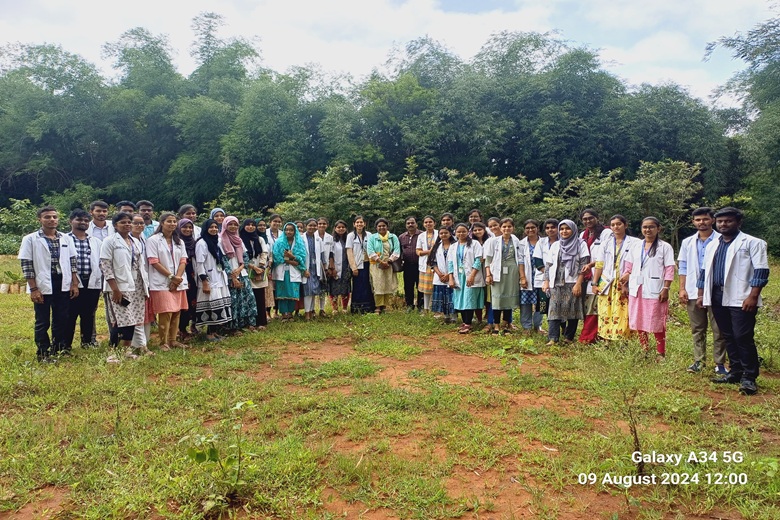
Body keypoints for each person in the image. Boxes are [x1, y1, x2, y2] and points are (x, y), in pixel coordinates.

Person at [698, 207, 769, 396]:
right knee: (727, 335)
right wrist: (700, 294)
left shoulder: (753, 243)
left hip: (742, 297)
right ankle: (735, 371)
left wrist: (753, 296)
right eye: (720, 221)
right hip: (717, 295)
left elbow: (761, 271)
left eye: (728, 221)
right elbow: (704, 272)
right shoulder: (713, 244)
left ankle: (749, 377)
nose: (723, 224)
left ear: (738, 222)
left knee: (742, 337)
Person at [19, 206, 79, 362]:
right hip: (42, 283)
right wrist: (33, 288)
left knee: (61, 318)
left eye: (54, 217)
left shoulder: (66, 238)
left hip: (62, 283)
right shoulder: (30, 239)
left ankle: (58, 349)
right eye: (47, 217)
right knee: (42, 320)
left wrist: (74, 283)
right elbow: (27, 265)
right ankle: (43, 352)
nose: (52, 220)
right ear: (39, 219)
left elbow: (72, 262)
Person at [678, 208, 727, 374]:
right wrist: (682, 289)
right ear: (693, 222)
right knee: (697, 328)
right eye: (698, 220)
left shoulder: (722, 239)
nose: (701, 222)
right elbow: (683, 266)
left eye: (705, 219)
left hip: (717, 291)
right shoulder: (687, 242)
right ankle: (699, 361)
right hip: (692, 289)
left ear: (712, 220)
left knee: (719, 328)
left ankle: (720, 363)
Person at [620, 217, 675, 359]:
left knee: (657, 322)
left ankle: (660, 352)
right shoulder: (636, 246)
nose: (647, 230)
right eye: (645, 227)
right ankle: (644, 349)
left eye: (651, 227)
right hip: (636, 289)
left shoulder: (665, 247)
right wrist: (625, 282)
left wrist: (666, 288)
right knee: (638, 320)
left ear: (658, 228)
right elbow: (628, 266)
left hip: (655, 289)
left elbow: (669, 269)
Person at [99, 212, 149, 361]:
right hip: (119, 287)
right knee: (120, 320)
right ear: (115, 225)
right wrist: (115, 290)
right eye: (123, 222)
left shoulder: (135, 241)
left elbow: (140, 264)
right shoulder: (110, 241)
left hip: (136, 286)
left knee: (132, 320)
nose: (127, 225)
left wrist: (144, 288)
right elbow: (105, 266)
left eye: (129, 222)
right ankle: (113, 353)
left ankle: (126, 351)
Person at [592, 215, 639, 341]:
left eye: (619, 224)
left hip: (624, 280)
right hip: (606, 281)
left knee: (623, 310)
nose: (616, 227)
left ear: (625, 225)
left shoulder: (635, 243)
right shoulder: (605, 243)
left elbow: (638, 264)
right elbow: (599, 264)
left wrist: (629, 276)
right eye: (613, 225)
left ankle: (624, 339)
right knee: (605, 309)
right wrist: (594, 283)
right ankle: (607, 338)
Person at [146, 212, 189, 350]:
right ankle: (163, 342)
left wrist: (177, 278)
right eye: (169, 221)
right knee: (165, 312)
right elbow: (154, 261)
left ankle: (173, 340)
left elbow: (183, 260)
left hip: (178, 281)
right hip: (161, 282)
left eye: (174, 221)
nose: (172, 224)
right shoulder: (153, 240)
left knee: (177, 312)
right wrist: (171, 277)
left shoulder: (179, 241)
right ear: (162, 223)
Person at [543, 220, 589, 345]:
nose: (564, 231)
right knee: (554, 310)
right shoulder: (556, 245)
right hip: (556, 282)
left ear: (573, 230)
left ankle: (569, 337)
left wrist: (578, 283)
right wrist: (546, 282)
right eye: (562, 229)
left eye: (567, 228)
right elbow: (548, 265)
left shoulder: (581, 244)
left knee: (573, 310)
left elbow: (583, 265)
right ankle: (553, 338)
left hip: (573, 282)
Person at [64, 209, 102, 351]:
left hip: (91, 282)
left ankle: (87, 342)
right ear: (71, 221)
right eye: (79, 220)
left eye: (86, 220)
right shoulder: (64, 239)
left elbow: (100, 262)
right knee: (70, 314)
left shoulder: (95, 241)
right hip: (72, 282)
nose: (83, 223)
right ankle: (66, 345)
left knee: (88, 314)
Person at [194, 219, 233, 340]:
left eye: (216, 227)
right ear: (205, 229)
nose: (214, 229)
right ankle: (209, 334)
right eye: (211, 227)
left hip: (219, 277)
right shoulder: (201, 243)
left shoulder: (217, 241)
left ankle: (215, 332)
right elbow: (199, 264)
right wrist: (204, 281)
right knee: (211, 306)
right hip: (209, 280)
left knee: (217, 305)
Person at [484, 218, 524, 333]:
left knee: (509, 298)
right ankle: (496, 325)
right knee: (497, 299)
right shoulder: (493, 241)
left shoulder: (516, 241)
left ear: (513, 228)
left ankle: (506, 324)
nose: (507, 229)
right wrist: (488, 275)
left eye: (509, 226)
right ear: (500, 228)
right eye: (504, 226)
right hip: (497, 271)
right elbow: (488, 259)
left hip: (512, 271)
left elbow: (520, 259)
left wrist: (521, 276)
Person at [220, 216, 258, 330]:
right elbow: (223, 260)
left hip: (243, 274)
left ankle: (249, 324)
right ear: (225, 225)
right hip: (230, 275)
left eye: (235, 224)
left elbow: (245, 257)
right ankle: (234, 327)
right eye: (230, 224)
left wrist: (240, 268)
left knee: (248, 298)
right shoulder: (220, 240)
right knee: (234, 301)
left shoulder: (239, 240)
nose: (233, 227)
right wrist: (233, 276)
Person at [449, 223, 485, 333]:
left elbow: (478, 260)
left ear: (468, 232)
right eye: (459, 231)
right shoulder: (453, 246)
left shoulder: (475, 244)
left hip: (471, 275)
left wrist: (472, 275)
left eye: (463, 231)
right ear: (455, 232)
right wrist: (451, 278)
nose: (461, 233)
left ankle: (468, 323)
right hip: (458, 276)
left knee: (469, 298)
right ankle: (464, 322)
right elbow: (450, 263)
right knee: (460, 299)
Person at [579, 209, 608, 344]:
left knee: (595, 306)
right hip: (586, 275)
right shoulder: (582, 235)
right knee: (587, 306)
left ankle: (591, 337)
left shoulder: (606, 233)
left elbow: (608, 255)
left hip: (602, 275)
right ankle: (592, 334)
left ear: (597, 218)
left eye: (590, 218)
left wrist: (591, 265)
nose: (588, 221)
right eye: (585, 219)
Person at [272, 222, 308, 321]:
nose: (289, 232)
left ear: (295, 231)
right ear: (284, 231)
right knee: (282, 293)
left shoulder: (299, 243)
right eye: (287, 230)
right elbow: (276, 256)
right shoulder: (279, 242)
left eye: (291, 230)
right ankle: (284, 314)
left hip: (295, 271)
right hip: (281, 271)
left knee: (293, 293)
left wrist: (293, 257)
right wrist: (289, 260)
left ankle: (290, 313)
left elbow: (302, 257)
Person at [129, 213, 154, 352]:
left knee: (144, 311)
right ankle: (135, 343)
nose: (139, 226)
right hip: (132, 281)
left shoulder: (143, 239)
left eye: (141, 223)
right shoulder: (128, 240)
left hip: (144, 279)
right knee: (134, 312)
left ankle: (144, 341)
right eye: (136, 223)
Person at [366, 218, 401, 314]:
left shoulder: (393, 237)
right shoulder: (372, 238)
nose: (382, 227)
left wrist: (389, 261)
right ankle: (378, 306)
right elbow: (370, 251)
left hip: (389, 265)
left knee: (388, 284)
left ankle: (386, 305)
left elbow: (397, 250)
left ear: (387, 226)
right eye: (379, 226)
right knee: (378, 285)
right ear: (376, 227)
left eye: (383, 226)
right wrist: (380, 261)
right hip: (376, 265)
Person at [241, 218, 269, 329]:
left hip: (259, 270)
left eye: (253, 225)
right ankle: (250, 323)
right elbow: (241, 256)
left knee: (260, 297)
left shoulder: (259, 239)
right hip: (245, 270)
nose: (251, 227)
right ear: (244, 226)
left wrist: (260, 267)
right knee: (248, 297)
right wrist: (252, 267)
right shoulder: (240, 239)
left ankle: (261, 322)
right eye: (248, 224)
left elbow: (264, 253)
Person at [176, 218, 199, 340]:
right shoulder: (176, 242)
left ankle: (193, 325)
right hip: (180, 275)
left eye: (190, 227)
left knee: (193, 301)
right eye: (185, 227)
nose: (188, 229)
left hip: (193, 276)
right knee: (182, 304)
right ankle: (181, 329)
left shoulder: (194, 243)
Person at [346, 216, 374, 313]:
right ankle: (357, 309)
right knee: (358, 286)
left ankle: (368, 308)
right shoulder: (350, 236)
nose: (359, 224)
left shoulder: (369, 235)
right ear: (354, 224)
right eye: (357, 222)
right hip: (357, 265)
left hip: (368, 264)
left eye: (361, 222)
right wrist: (353, 267)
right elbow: (349, 252)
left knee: (368, 285)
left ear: (364, 223)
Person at [533, 218, 559, 320]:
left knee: (557, 303)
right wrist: (549, 274)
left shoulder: (564, 241)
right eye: (547, 228)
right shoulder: (541, 242)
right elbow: (538, 260)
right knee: (543, 303)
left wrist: (555, 274)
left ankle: (561, 326)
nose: (550, 230)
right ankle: (545, 325)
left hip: (559, 278)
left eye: (553, 227)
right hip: (543, 278)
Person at [519, 219, 543, 334]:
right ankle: (526, 326)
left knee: (541, 301)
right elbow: (520, 262)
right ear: (524, 230)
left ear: (537, 228)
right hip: (527, 276)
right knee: (526, 302)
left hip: (541, 275)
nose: (530, 230)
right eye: (527, 228)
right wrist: (523, 277)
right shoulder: (521, 243)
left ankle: (538, 326)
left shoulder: (544, 242)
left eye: (533, 227)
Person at [429, 226, 456, 323]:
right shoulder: (437, 246)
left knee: (452, 297)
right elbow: (433, 262)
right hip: (439, 276)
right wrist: (440, 274)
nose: (443, 235)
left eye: (446, 233)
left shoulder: (455, 245)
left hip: (452, 276)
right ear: (439, 235)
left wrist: (449, 275)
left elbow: (455, 262)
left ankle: (454, 317)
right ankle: (446, 316)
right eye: (441, 233)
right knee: (442, 297)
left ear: (450, 234)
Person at [302, 218, 327, 320]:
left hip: (316, 268)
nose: (312, 227)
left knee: (314, 290)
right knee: (307, 290)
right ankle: (307, 312)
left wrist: (324, 267)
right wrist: (303, 269)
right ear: (305, 226)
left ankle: (312, 311)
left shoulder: (318, 239)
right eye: (310, 225)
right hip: (306, 267)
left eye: (314, 225)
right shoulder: (301, 238)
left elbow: (321, 255)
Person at [328, 220, 352, 313]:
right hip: (335, 266)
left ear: (346, 229)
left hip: (346, 267)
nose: (341, 229)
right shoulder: (332, 240)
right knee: (334, 288)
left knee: (345, 288)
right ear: (335, 228)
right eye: (338, 227)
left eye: (343, 227)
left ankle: (345, 308)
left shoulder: (349, 239)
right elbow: (330, 254)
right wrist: (332, 268)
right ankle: (335, 309)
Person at [399, 216, 423, 311]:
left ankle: (420, 305)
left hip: (420, 265)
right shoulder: (402, 237)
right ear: (406, 225)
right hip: (407, 265)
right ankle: (409, 305)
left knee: (420, 286)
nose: (410, 225)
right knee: (408, 286)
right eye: (408, 223)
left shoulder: (422, 235)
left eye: (412, 223)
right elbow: (399, 251)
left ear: (416, 224)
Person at [415, 216, 438, 313]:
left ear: (434, 223)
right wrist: (429, 252)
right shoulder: (421, 236)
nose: (428, 224)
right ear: (423, 224)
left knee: (435, 287)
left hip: (437, 264)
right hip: (425, 265)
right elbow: (418, 251)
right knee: (426, 289)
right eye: (426, 222)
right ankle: (426, 309)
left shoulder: (439, 233)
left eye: (430, 222)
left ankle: (435, 308)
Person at [471, 222, 491, 329]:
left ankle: (487, 316)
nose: (477, 232)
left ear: (484, 230)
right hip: (476, 271)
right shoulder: (471, 242)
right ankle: (478, 317)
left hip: (488, 270)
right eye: (475, 230)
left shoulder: (489, 241)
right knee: (477, 295)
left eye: (480, 229)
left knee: (487, 295)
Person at [265, 214, 283, 318]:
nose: (277, 223)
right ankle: (267, 312)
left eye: (279, 222)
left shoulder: (282, 234)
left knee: (278, 288)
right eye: (274, 221)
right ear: (270, 222)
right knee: (269, 289)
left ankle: (276, 312)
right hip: (268, 264)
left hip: (280, 264)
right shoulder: (265, 233)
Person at [315, 217, 334, 317]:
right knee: (314, 288)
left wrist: (330, 267)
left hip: (325, 265)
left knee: (323, 288)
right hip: (314, 265)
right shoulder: (313, 235)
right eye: (320, 223)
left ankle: (322, 309)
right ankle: (312, 309)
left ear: (327, 225)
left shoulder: (329, 237)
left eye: (324, 224)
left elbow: (331, 253)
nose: (321, 225)